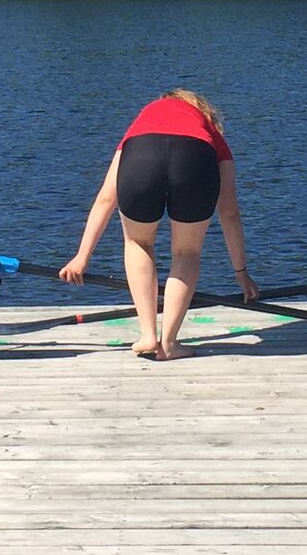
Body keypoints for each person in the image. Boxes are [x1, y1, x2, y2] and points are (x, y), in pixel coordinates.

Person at [60, 88, 259, 359]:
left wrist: (82, 257)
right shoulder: (207, 130)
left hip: (142, 153)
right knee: (186, 252)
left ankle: (148, 335)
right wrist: (241, 273)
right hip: (195, 156)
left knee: (138, 242)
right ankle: (169, 345)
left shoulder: (143, 121)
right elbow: (230, 212)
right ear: (202, 109)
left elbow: (106, 199)